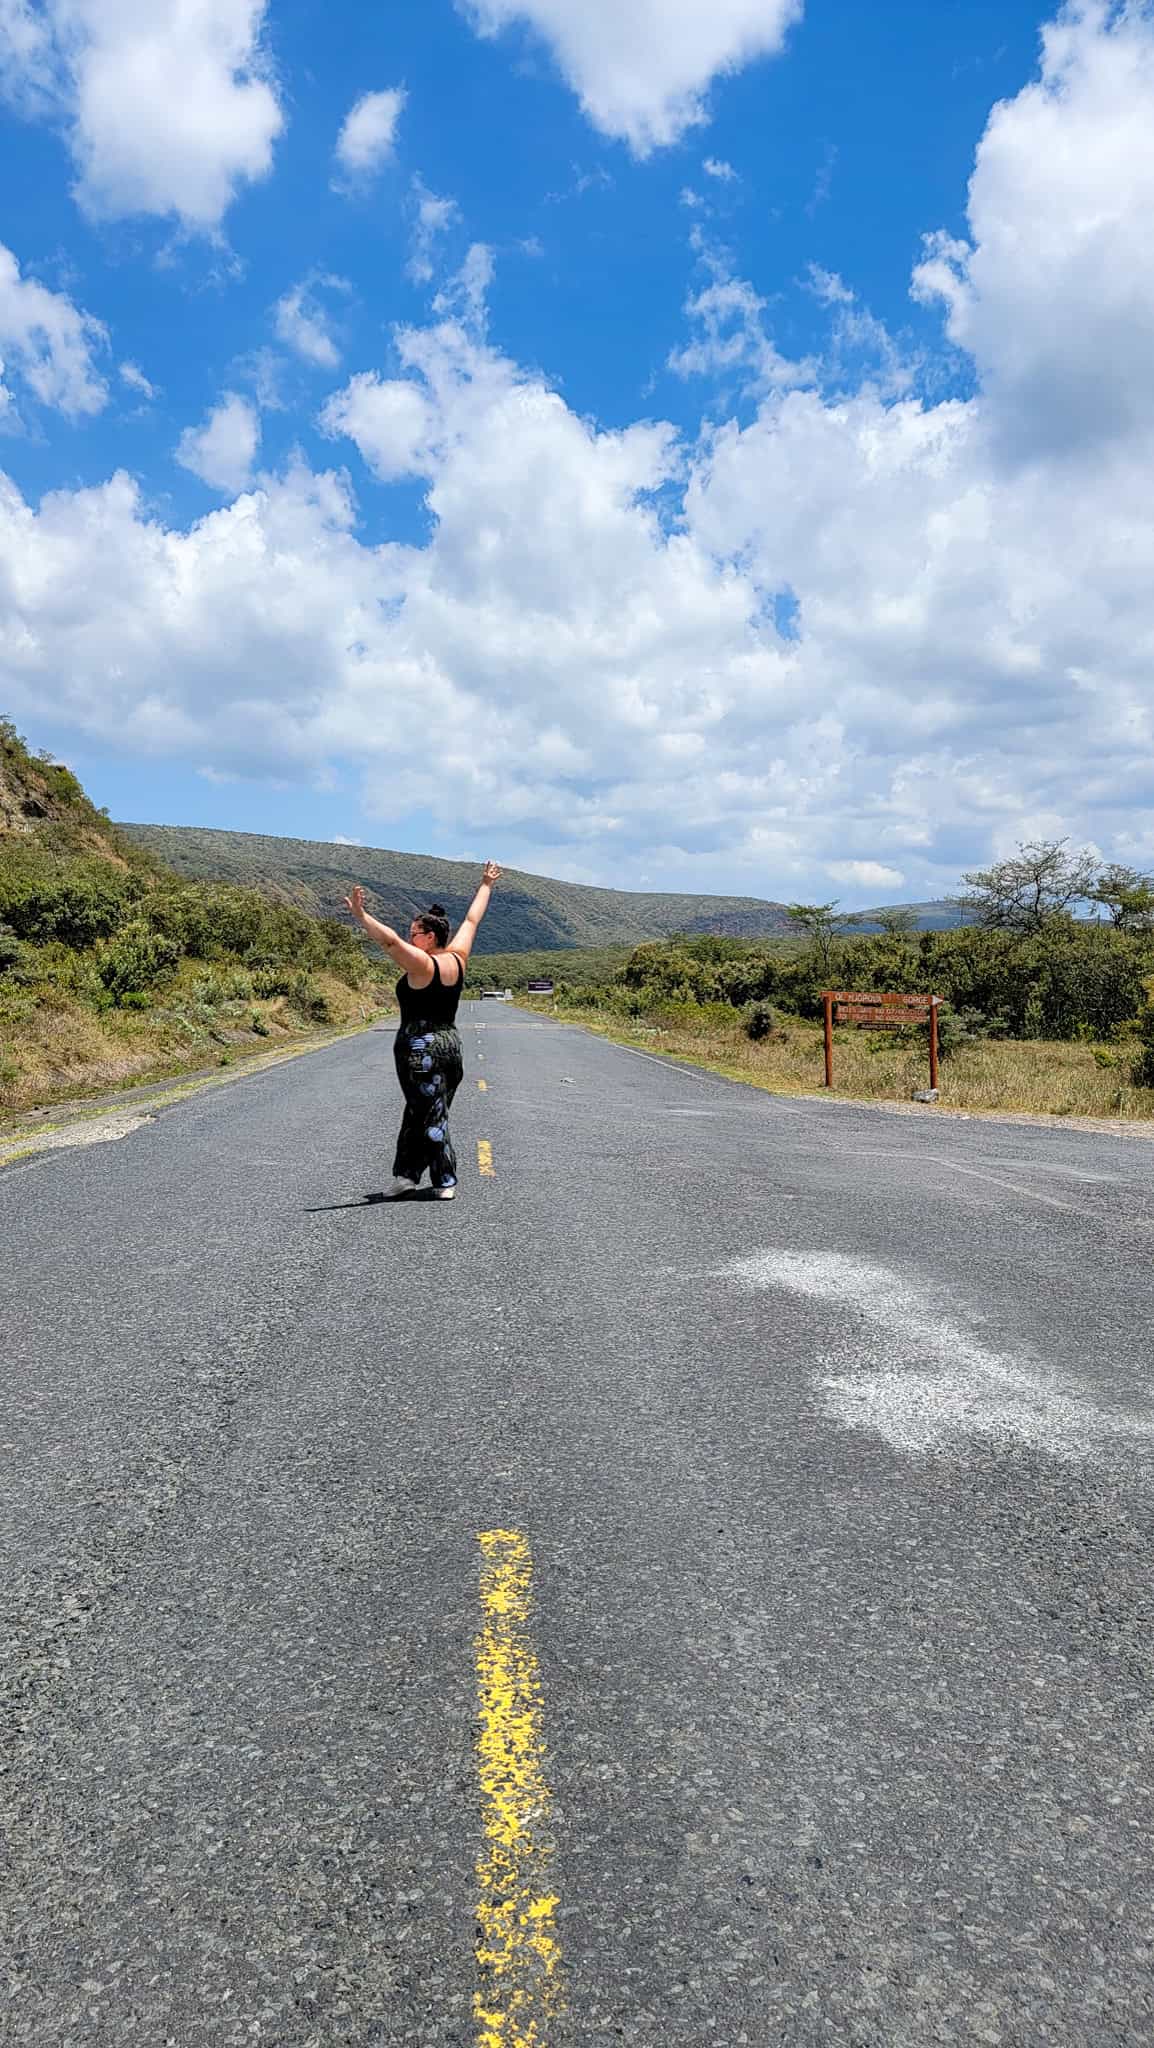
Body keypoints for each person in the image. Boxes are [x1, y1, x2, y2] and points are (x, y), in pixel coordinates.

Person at [344, 862, 502, 1200]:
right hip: (450, 1044)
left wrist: (361, 915)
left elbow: (388, 943)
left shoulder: (422, 964)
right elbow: (473, 919)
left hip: (420, 1049)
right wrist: (486, 884)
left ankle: (445, 1179)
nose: (410, 937)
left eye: (415, 933)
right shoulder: (458, 958)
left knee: (430, 1113)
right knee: (421, 1110)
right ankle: (406, 1175)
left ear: (430, 937)